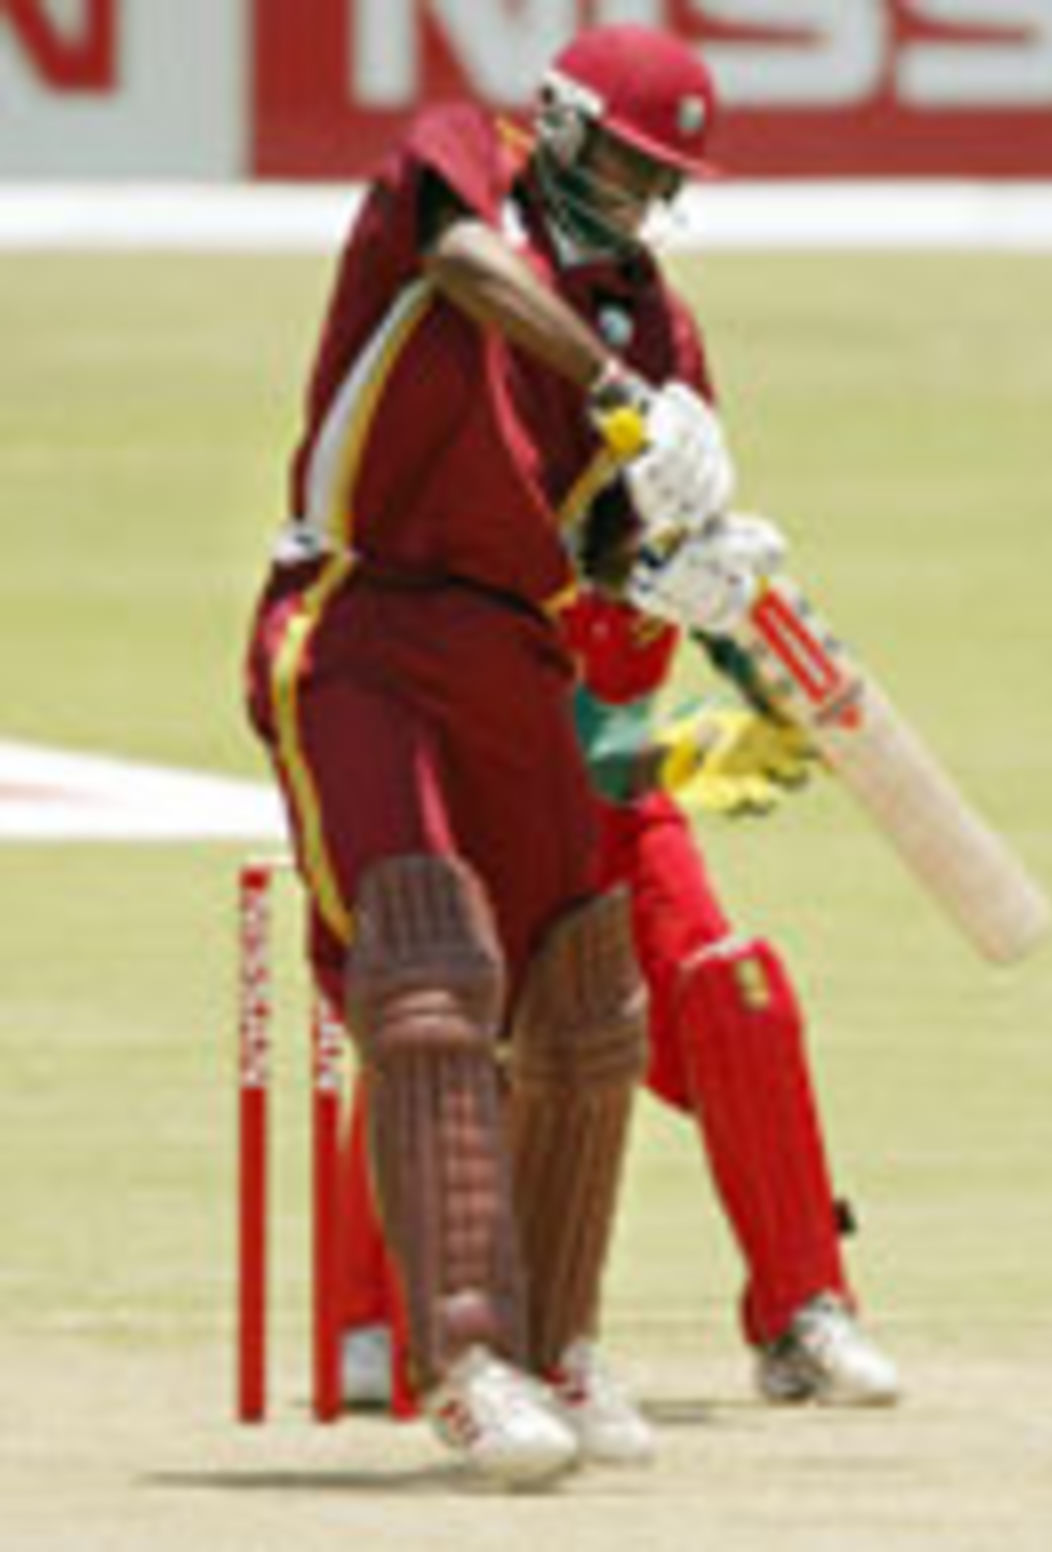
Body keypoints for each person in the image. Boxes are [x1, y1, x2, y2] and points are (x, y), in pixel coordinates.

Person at [244, 23, 765, 1488]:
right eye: (628, 162)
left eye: (669, 183)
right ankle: (465, 1360)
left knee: (584, 987)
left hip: (513, 646)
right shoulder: (465, 159)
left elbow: (606, 539)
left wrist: (677, 562)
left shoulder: (656, 324)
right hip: (355, 611)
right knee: (426, 971)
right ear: (563, 120)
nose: (642, 202)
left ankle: (562, 1345)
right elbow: (467, 271)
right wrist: (613, 387)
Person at [339, 576, 902, 1416]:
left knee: (738, 993)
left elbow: (748, 660)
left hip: (620, 824)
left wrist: (764, 665)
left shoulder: (669, 461)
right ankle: (378, 1320)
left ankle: (802, 1317)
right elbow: (506, 711)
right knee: (442, 1024)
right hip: (475, 813)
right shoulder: (489, 477)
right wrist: (677, 748)